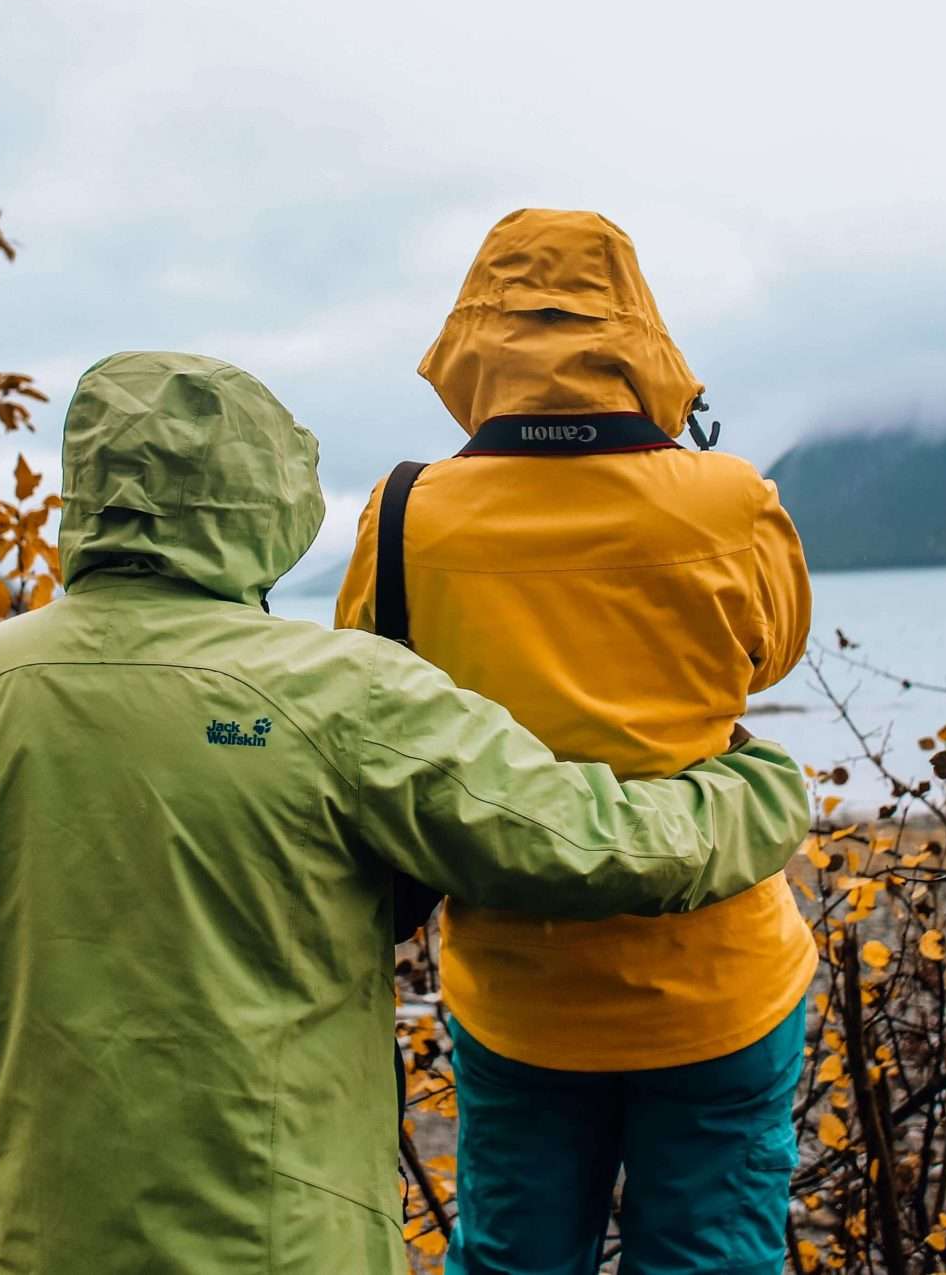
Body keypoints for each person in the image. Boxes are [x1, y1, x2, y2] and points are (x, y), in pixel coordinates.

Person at [0, 350, 813, 1275]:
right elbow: (583, 846)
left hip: (48, 1229)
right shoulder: (335, 695)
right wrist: (756, 793)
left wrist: (33, 1127)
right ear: (268, 493)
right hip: (289, 1235)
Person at [336, 208, 816, 1275]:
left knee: (513, 1260)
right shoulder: (730, 499)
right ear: (638, 329)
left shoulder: (405, 511)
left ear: (472, 337)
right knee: (711, 1261)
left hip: (517, 987)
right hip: (721, 976)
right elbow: (769, 655)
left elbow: (367, 699)